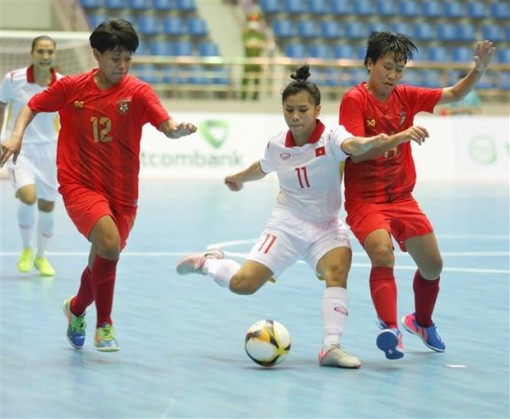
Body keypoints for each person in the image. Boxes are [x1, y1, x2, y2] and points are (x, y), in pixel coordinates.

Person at [176, 65, 392, 369]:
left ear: (317, 109)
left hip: (325, 226)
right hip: (287, 225)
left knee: (338, 270)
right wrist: (237, 177)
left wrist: (373, 142)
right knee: (243, 285)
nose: (295, 116)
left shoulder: (331, 137)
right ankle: (209, 262)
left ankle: (331, 347)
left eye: (303, 109)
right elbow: (261, 167)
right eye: (289, 110)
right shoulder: (277, 144)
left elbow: (352, 144)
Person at [0, 18, 197, 352]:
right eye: (114, 58)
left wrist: (175, 130)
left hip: (123, 192)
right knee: (109, 244)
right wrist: (16, 135)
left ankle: (76, 309)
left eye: (128, 59)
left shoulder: (138, 92)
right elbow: (32, 105)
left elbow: (165, 123)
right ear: (96, 54)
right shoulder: (73, 87)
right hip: (80, 183)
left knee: (103, 258)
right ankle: (104, 324)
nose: (122, 66)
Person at [338, 31, 495, 360]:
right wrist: (400, 136)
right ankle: (390, 329)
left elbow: (453, 94)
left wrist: (477, 70)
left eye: (399, 69)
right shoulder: (354, 100)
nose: (393, 75)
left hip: (402, 197)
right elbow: (357, 153)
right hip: (365, 200)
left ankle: (421, 322)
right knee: (383, 254)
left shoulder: (406, 96)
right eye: (386, 67)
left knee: (433, 266)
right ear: (369, 64)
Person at [0, 35, 63, 277]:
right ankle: (27, 249)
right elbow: (1, 106)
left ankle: (41, 256)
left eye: (49, 52)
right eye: (41, 51)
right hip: (19, 147)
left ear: (54, 54)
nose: (45, 56)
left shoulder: (63, 83)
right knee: (28, 196)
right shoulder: (13, 79)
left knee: (47, 205)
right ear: (32, 53)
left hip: (50, 150)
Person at [240, 11, 267, 100]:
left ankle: (255, 98)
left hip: (257, 60)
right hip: (248, 60)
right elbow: (246, 44)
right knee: (245, 79)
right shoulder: (246, 34)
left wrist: (253, 44)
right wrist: (256, 44)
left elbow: (263, 45)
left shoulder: (260, 34)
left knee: (257, 80)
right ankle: (243, 97)